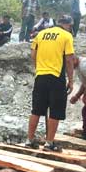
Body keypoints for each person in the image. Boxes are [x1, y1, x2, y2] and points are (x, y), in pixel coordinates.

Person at [25, 15, 75, 152]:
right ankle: (49, 143)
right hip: (56, 76)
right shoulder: (66, 36)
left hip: (40, 76)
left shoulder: (41, 34)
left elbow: (33, 55)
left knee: (36, 109)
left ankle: (29, 140)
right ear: (67, 24)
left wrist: (39, 68)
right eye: (71, 26)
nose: (71, 28)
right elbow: (69, 59)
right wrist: (71, 81)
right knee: (55, 110)